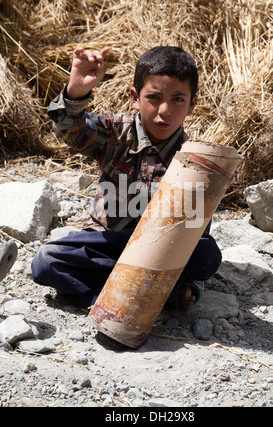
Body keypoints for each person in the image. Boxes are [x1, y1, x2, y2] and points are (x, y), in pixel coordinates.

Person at [31, 46, 222, 310]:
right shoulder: (114, 132)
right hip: (108, 242)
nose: (164, 110)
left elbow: (194, 232)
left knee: (207, 253)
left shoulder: (195, 161)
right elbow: (69, 128)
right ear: (135, 97)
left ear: (192, 105)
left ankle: (128, 288)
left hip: (158, 253)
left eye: (178, 99)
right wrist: (77, 90)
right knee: (46, 260)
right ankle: (150, 293)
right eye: (154, 97)